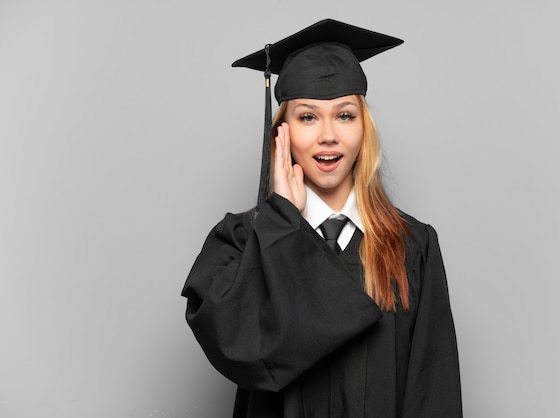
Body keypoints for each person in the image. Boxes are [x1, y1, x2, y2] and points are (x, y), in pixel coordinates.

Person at [182, 18, 462, 417]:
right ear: (282, 132)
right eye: (308, 117)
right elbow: (235, 346)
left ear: (364, 128)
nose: (328, 135)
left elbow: (433, 392)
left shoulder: (412, 246)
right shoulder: (244, 240)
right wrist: (281, 221)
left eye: (345, 115)